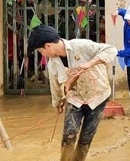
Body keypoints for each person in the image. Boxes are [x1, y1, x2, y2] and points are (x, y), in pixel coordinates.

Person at [27, 25, 117, 161]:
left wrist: (90, 63)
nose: (42, 54)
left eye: (40, 51)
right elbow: (55, 85)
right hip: (74, 99)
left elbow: (111, 49)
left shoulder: (81, 45)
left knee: (86, 137)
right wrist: (57, 102)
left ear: (48, 46)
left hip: (98, 96)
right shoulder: (53, 64)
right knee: (69, 134)